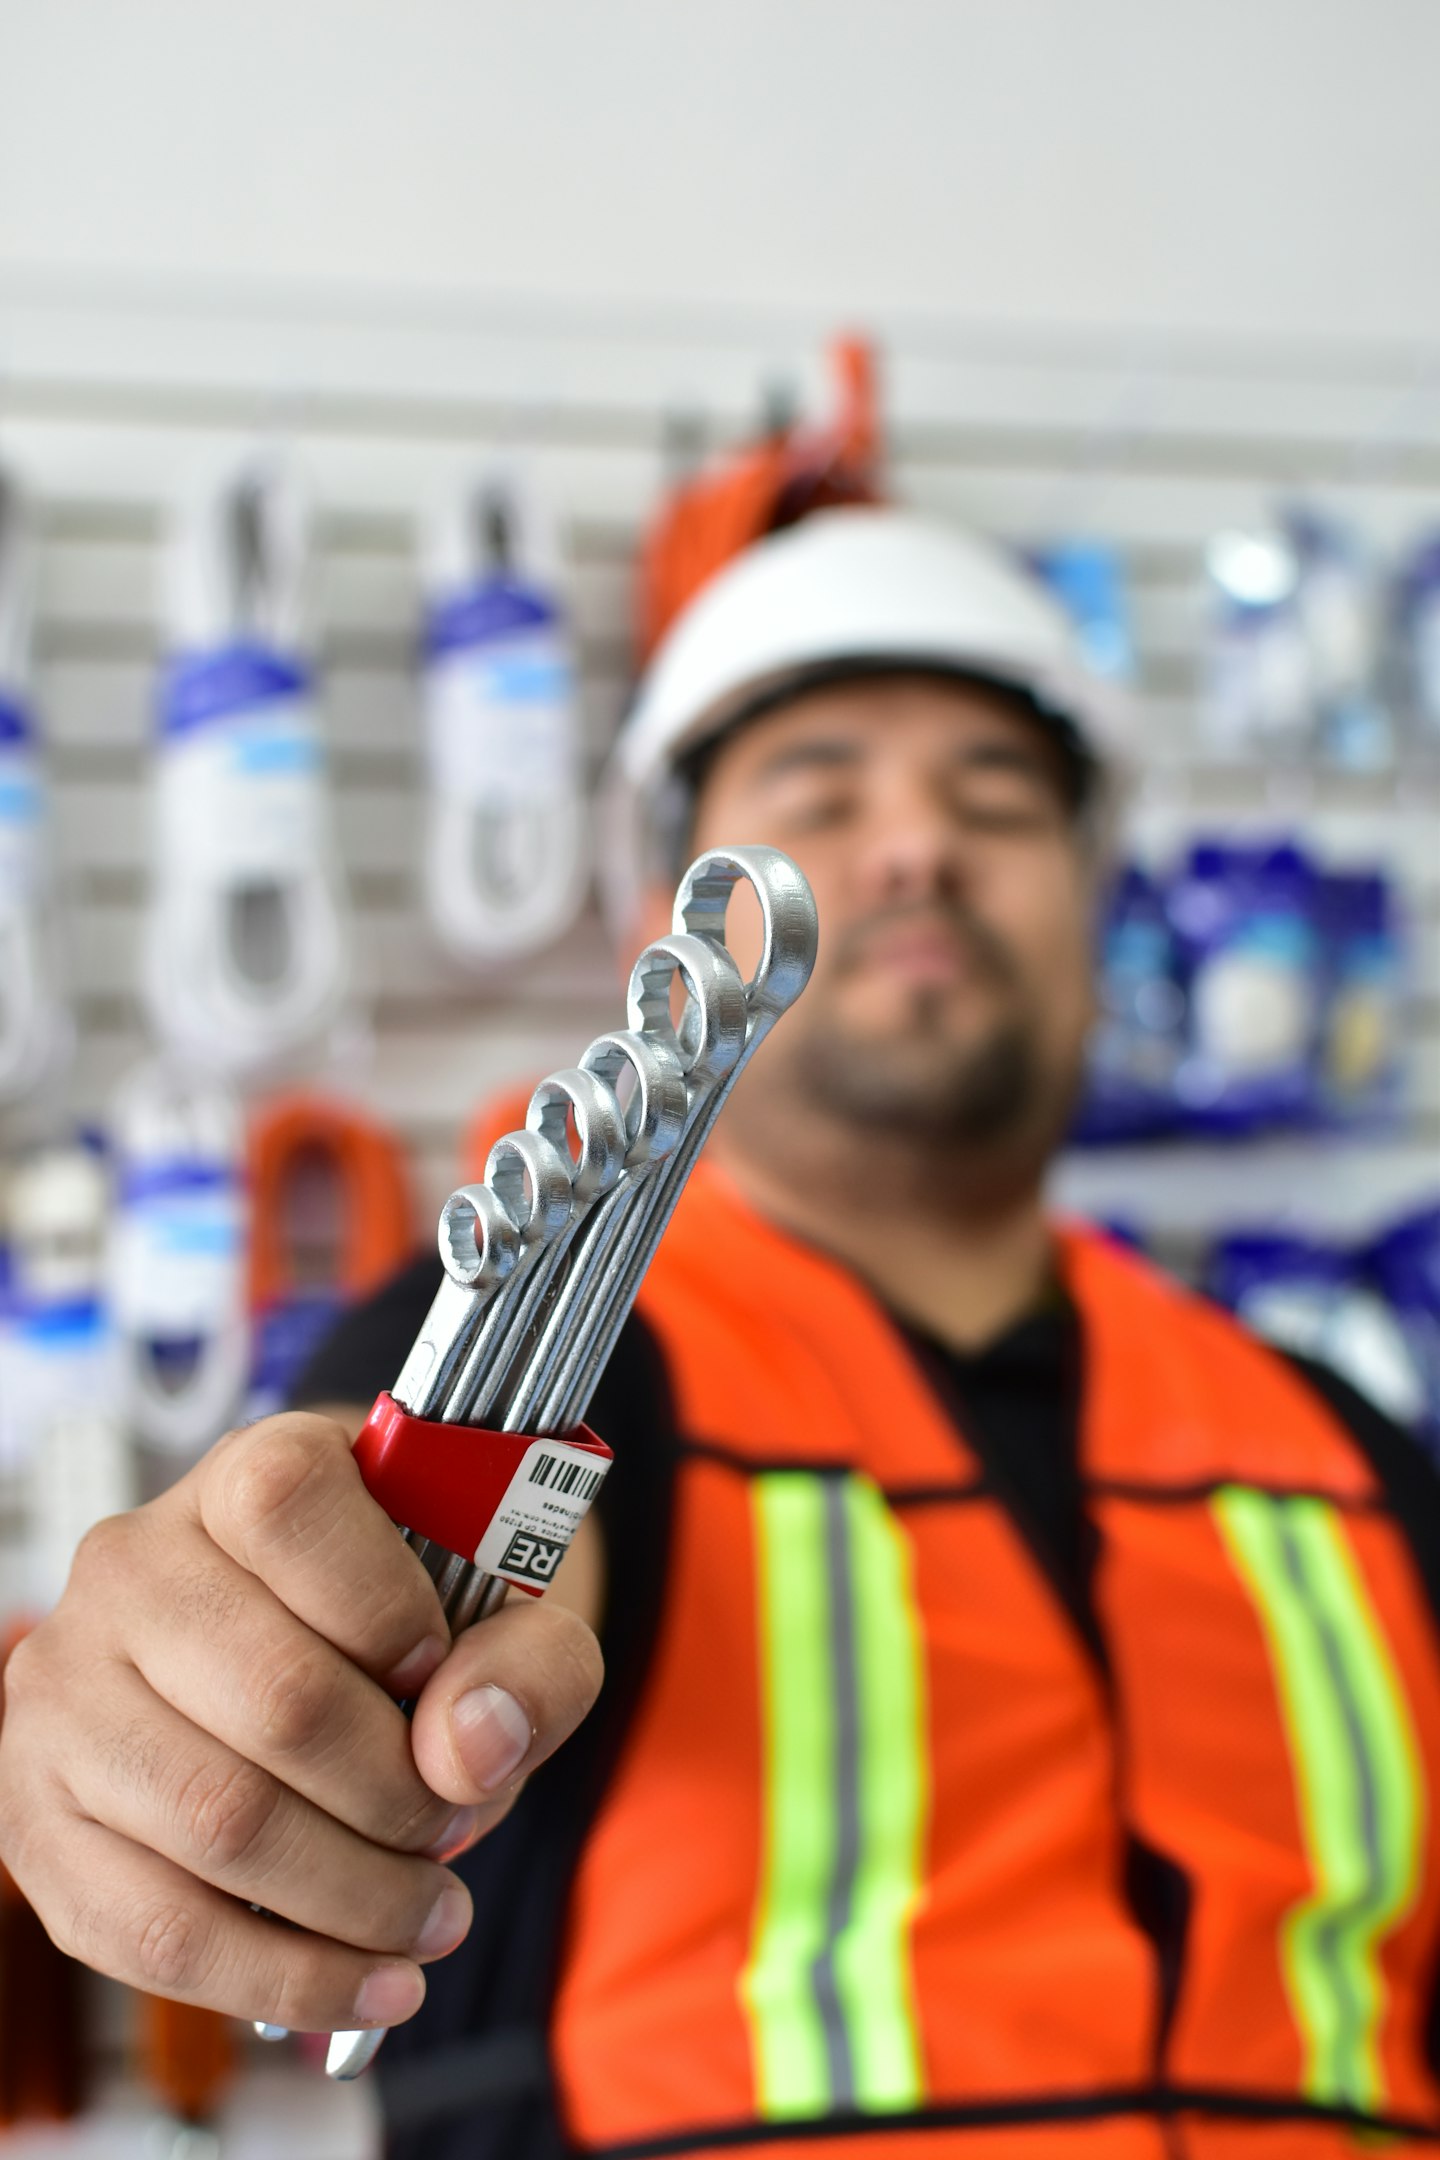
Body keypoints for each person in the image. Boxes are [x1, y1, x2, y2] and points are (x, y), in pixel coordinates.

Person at [4, 508, 1440, 2160]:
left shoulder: (1339, 1438)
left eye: (994, 805)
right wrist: (200, 1656)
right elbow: (342, 1513)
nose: (912, 849)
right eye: (823, 798)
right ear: (670, 931)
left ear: (1095, 904)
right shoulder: (591, 1345)